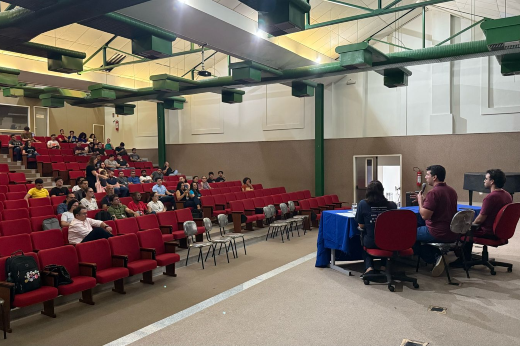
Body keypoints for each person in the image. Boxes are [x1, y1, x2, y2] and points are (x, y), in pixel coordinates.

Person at [451, 169, 512, 268]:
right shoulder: (507, 195)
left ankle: (464, 260)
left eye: (486, 178)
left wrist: (469, 226)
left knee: (464, 229)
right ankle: (466, 257)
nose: (484, 181)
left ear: (492, 181)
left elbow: (480, 219)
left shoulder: (491, 198)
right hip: (500, 231)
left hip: (488, 231)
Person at [413, 165, 458, 276]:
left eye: (428, 175)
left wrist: (420, 201)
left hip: (436, 231)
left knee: (408, 234)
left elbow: (425, 216)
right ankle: (441, 255)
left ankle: (435, 258)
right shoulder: (452, 191)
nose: (426, 177)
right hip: (452, 232)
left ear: (434, 177)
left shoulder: (433, 193)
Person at [355, 181, 397, 276]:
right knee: (384, 239)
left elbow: (361, 225)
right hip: (390, 241)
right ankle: (383, 266)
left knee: (366, 238)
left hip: (372, 242)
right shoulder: (392, 205)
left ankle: (369, 267)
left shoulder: (363, 204)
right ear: (382, 191)